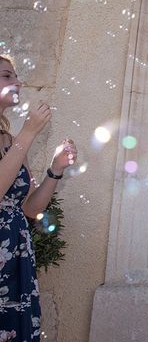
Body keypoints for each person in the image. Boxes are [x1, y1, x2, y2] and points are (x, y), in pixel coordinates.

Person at [0, 54, 78, 340]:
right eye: (7, 75)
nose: (18, 81)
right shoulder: (18, 140)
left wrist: (55, 170)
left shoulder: (9, 140)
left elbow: (31, 208)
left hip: (15, 253)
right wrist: (29, 132)